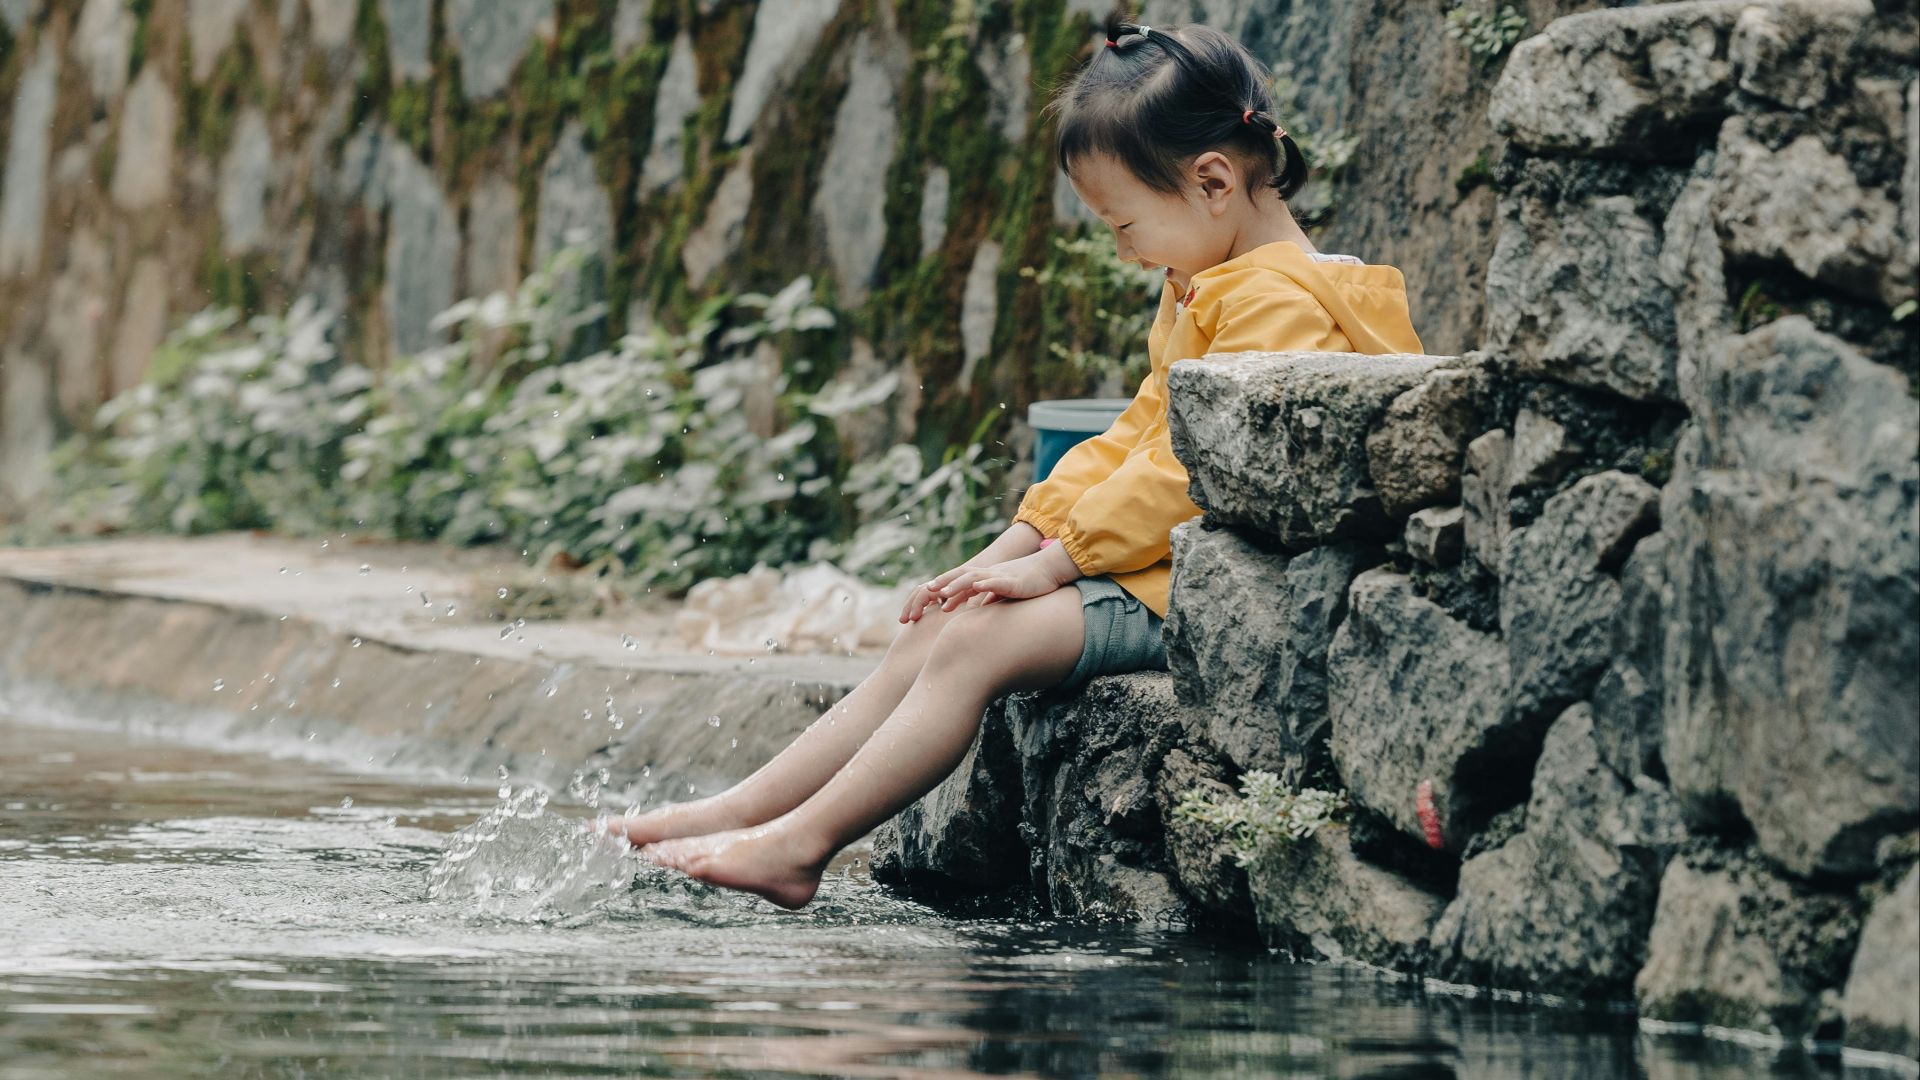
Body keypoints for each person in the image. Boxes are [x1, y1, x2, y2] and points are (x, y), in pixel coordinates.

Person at [610, 18, 1426, 908]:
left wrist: (1055, 565)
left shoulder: (1282, 305)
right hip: (1157, 564)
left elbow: (1180, 477)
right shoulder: (1216, 283)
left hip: (1230, 591)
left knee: (974, 642)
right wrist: (1010, 547)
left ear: (1214, 181)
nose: (1124, 250)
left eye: (1123, 224)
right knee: (935, 622)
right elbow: (1132, 436)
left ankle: (798, 847)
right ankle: (741, 811)